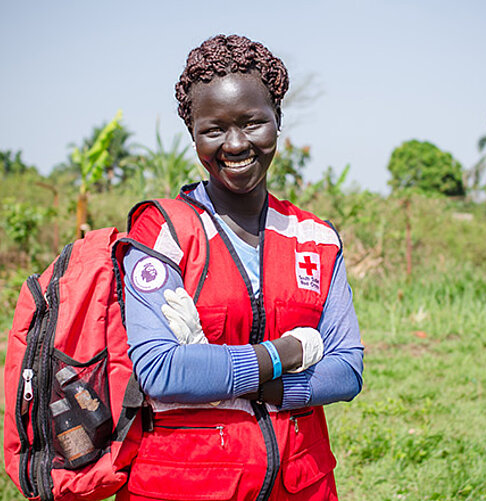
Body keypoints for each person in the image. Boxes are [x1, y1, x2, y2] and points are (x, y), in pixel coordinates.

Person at [115, 34, 363, 500]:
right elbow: (161, 370)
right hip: (186, 484)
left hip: (301, 484)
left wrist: (242, 382)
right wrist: (284, 355)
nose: (235, 144)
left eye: (252, 123)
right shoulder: (163, 232)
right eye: (214, 129)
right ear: (193, 135)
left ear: (277, 122)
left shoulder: (316, 239)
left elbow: (347, 371)